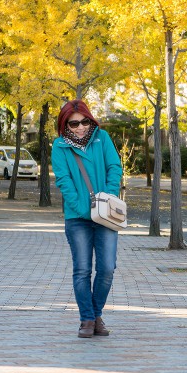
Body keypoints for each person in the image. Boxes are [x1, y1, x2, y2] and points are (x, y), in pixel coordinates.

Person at [51, 99, 123, 338]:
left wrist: (109, 195)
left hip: (105, 214)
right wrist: (82, 208)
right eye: (74, 124)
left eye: (84, 121)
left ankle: (95, 313)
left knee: (107, 268)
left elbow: (115, 167)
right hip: (78, 217)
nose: (80, 127)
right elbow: (64, 180)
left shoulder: (103, 139)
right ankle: (88, 320)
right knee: (82, 270)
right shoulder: (59, 146)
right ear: (65, 125)